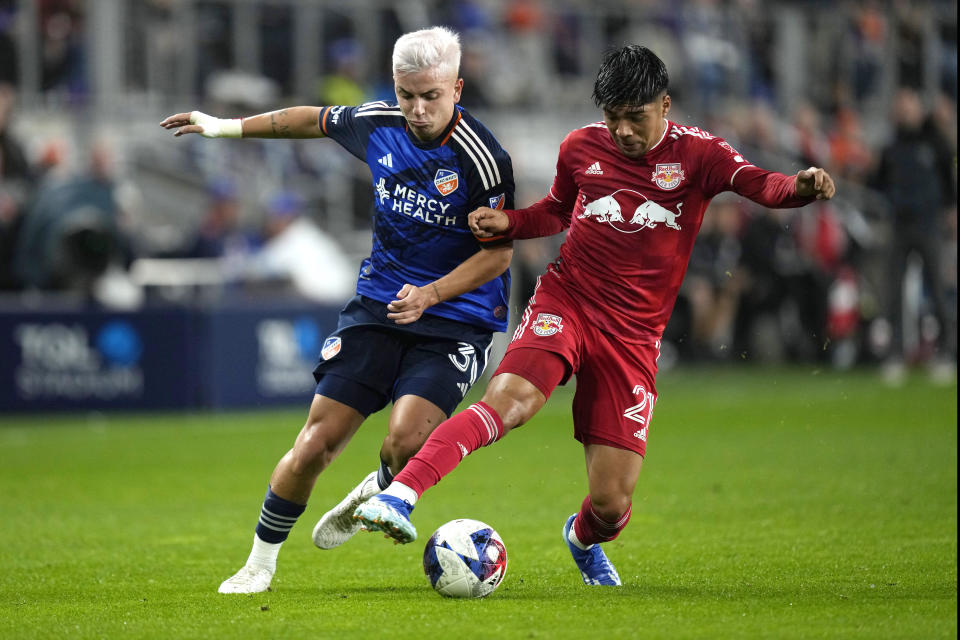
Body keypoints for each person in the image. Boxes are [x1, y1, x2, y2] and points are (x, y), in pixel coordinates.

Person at [354, 45, 835, 586]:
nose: (624, 131)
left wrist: (798, 187)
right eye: (614, 118)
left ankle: (581, 539)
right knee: (508, 403)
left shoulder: (701, 155)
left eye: (637, 117)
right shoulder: (581, 146)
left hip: (633, 337)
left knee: (611, 503)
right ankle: (400, 495)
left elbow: (760, 184)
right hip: (569, 300)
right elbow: (558, 210)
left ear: (665, 105)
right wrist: (509, 222)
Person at [160, 26, 515, 594]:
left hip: (456, 319)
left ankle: (377, 486)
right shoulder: (379, 123)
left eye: (431, 96)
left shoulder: (482, 158)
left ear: (457, 88)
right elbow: (311, 119)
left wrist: (430, 294)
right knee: (313, 445)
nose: (417, 109)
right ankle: (259, 564)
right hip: (378, 307)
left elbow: (497, 257)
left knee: (406, 441)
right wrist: (223, 126)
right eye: (407, 95)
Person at [873, 87, 956, 385]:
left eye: (909, 106)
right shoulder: (891, 147)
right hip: (899, 225)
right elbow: (878, 183)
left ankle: (946, 352)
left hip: (928, 224)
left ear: (919, 109)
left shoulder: (935, 143)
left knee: (936, 287)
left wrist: (950, 210)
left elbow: (949, 178)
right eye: (901, 106)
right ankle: (895, 354)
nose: (905, 111)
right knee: (893, 291)